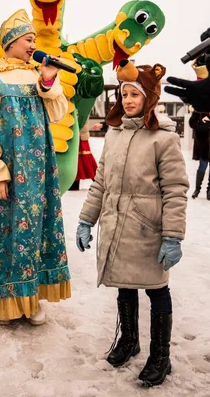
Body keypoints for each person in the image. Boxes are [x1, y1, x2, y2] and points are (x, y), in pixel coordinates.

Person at [76, 60, 189, 387]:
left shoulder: (163, 138)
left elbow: (175, 190)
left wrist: (173, 236)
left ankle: (160, 356)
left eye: (134, 94)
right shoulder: (115, 133)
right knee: (124, 283)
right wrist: (86, 219)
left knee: (157, 289)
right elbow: (100, 182)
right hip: (116, 226)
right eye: (123, 93)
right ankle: (129, 340)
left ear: (149, 97)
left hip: (148, 228)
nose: (127, 100)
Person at [0, 9, 70, 326]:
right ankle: (3, 303)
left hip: (38, 175)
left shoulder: (36, 77)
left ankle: (31, 298)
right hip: (9, 173)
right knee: (3, 236)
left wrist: (49, 79)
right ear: (12, 41)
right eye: (29, 39)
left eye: (34, 40)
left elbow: (57, 113)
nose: (32, 46)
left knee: (35, 235)